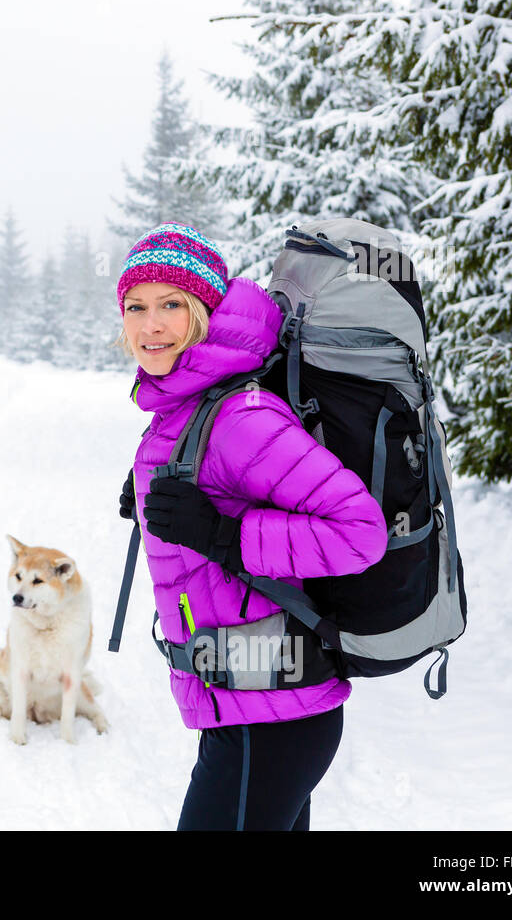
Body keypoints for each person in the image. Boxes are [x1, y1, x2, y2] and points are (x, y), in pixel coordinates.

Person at [114, 222, 388, 830]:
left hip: (271, 723)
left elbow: (360, 532)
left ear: (204, 313)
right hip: (255, 707)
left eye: (171, 305)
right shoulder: (187, 403)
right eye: (136, 306)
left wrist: (222, 534)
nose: (150, 325)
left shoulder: (241, 414)